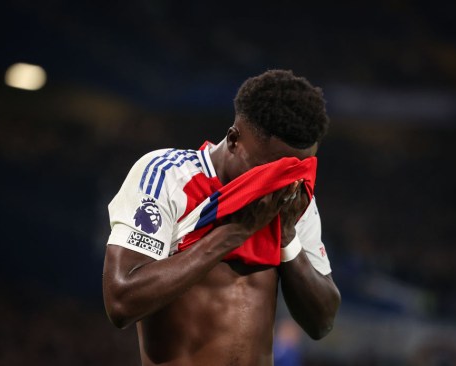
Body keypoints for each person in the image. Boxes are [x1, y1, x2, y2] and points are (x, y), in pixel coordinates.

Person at [102, 69, 341, 366]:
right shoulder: (168, 176)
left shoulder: (291, 198)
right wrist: (233, 233)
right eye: (268, 171)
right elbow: (121, 301)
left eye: (295, 172)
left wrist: (288, 237)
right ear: (233, 140)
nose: (280, 184)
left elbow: (322, 322)